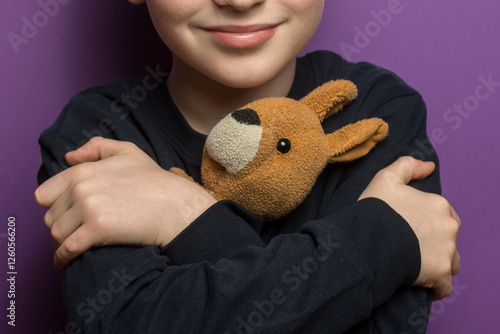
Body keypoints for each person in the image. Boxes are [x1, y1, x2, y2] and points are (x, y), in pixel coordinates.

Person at [35, 0, 460, 333]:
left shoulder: (376, 109)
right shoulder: (99, 133)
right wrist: (383, 242)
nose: (240, 1)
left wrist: (186, 218)